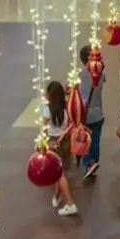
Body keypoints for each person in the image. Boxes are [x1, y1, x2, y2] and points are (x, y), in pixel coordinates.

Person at [38, 82, 79, 217]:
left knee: (59, 174)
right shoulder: (66, 107)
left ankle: (70, 203)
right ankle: (56, 197)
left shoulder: (47, 109)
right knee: (60, 172)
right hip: (64, 142)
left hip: (52, 142)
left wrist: (42, 144)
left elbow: (43, 128)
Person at [78, 45, 105, 179]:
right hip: (99, 113)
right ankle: (95, 161)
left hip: (85, 114)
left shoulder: (80, 74)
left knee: (84, 140)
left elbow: (69, 88)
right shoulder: (101, 72)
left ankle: (88, 164)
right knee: (95, 139)